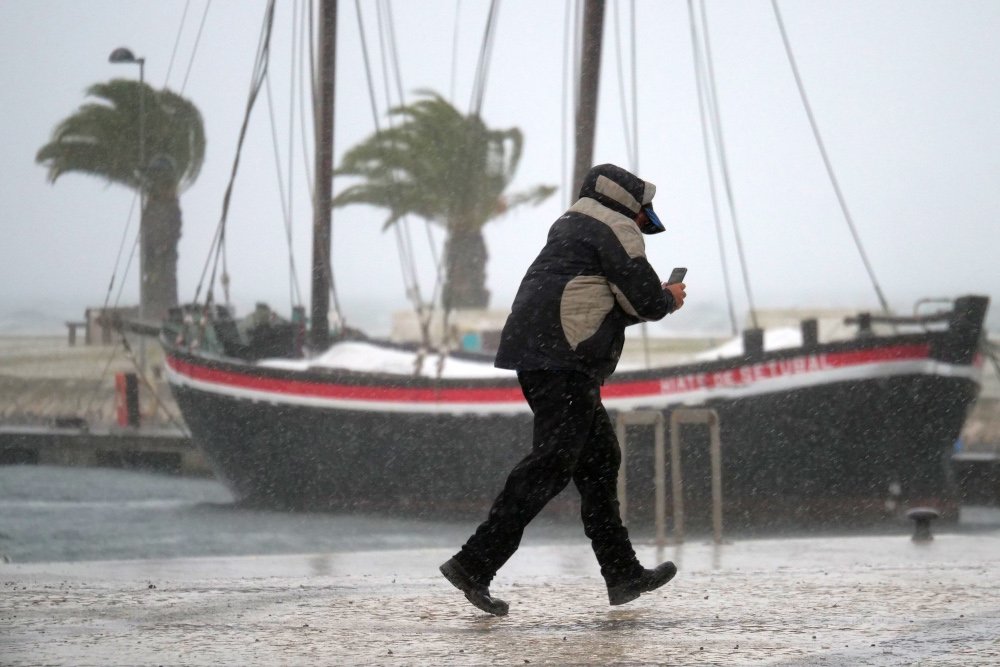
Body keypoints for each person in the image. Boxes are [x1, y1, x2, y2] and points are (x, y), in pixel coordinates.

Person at [440, 163, 687, 616]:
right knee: (552, 465)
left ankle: (623, 573)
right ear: (633, 207)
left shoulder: (573, 222)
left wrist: (651, 300)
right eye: (642, 215)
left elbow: (600, 296)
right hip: (565, 360)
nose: (641, 224)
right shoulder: (616, 228)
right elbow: (646, 301)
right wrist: (670, 295)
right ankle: (474, 562)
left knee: (597, 462)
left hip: (541, 354)